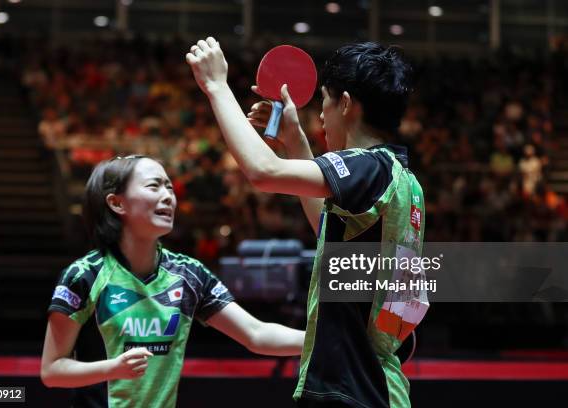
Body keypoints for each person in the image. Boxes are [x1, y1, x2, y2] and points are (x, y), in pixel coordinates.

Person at [187, 38, 425, 408]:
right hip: (372, 387)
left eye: (325, 103)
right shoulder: (402, 180)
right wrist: (296, 143)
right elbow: (330, 238)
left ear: (345, 104)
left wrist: (216, 86)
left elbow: (264, 172)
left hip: (351, 385)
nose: (321, 117)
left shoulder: (368, 167)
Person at [41, 155, 305, 408]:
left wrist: (323, 338)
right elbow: (52, 370)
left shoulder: (189, 274)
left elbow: (256, 334)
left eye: (169, 187)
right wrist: (112, 369)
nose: (168, 196)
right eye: (154, 186)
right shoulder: (84, 275)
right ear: (117, 203)